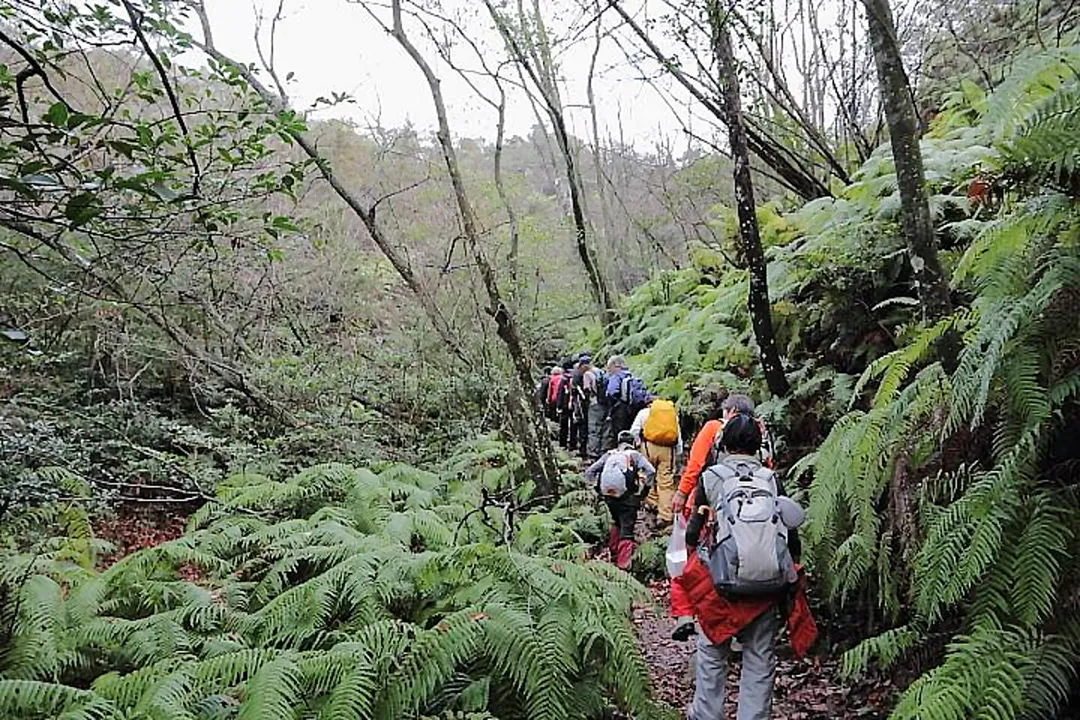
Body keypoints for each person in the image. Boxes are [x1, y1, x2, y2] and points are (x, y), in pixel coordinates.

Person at [673, 413, 813, 720]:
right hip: (767, 581)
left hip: (722, 581)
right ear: (756, 445)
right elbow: (790, 533)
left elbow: (694, 532)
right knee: (760, 657)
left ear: (724, 442)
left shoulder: (711, 476)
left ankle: (706, 714)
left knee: (712, 651)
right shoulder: (771, 478)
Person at [671, 392, 774, 516]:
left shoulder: (714, 427)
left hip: (713, 492)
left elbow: (696, 464)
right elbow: (767, 465)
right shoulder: (758, 432)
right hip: (753, 499)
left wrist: (682, 492)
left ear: (731, 411)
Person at [585, 430, 656, 570]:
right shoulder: (635, 455)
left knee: (616, 522)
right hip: (627, 497)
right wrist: (645, 491)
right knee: (627, 527)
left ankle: (613, 554)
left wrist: (596, 489)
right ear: (633, 443)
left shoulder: (610, 454)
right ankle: (623, 564)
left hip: (608, 496)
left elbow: (590, 471)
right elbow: (651, 471)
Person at [630, 395, 683, 528]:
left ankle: (651, 503)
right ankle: (665, 515)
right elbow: (678, 436)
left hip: (648, 447)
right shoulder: (671, 415)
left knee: (647, 476)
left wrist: (638, 444)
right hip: (667, 450)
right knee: (665, 482)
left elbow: (634, 431)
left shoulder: (644, 413)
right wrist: (678, 454)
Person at [569, 354, 593, 458]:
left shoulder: (578, 373)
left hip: (581, 403)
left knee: (582, 426)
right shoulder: (578, 375)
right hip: (581, 404)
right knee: (583, 425)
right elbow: (579, 392)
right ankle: (583, 449)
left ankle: (582, 448)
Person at [586, 362, 607, 459]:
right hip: (604, 404)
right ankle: (602, 450)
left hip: (594, 403)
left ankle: (593, 453)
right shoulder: (602, 373)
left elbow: (587, 389)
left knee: (593, 429)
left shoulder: (588, 374)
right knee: (603, 428)